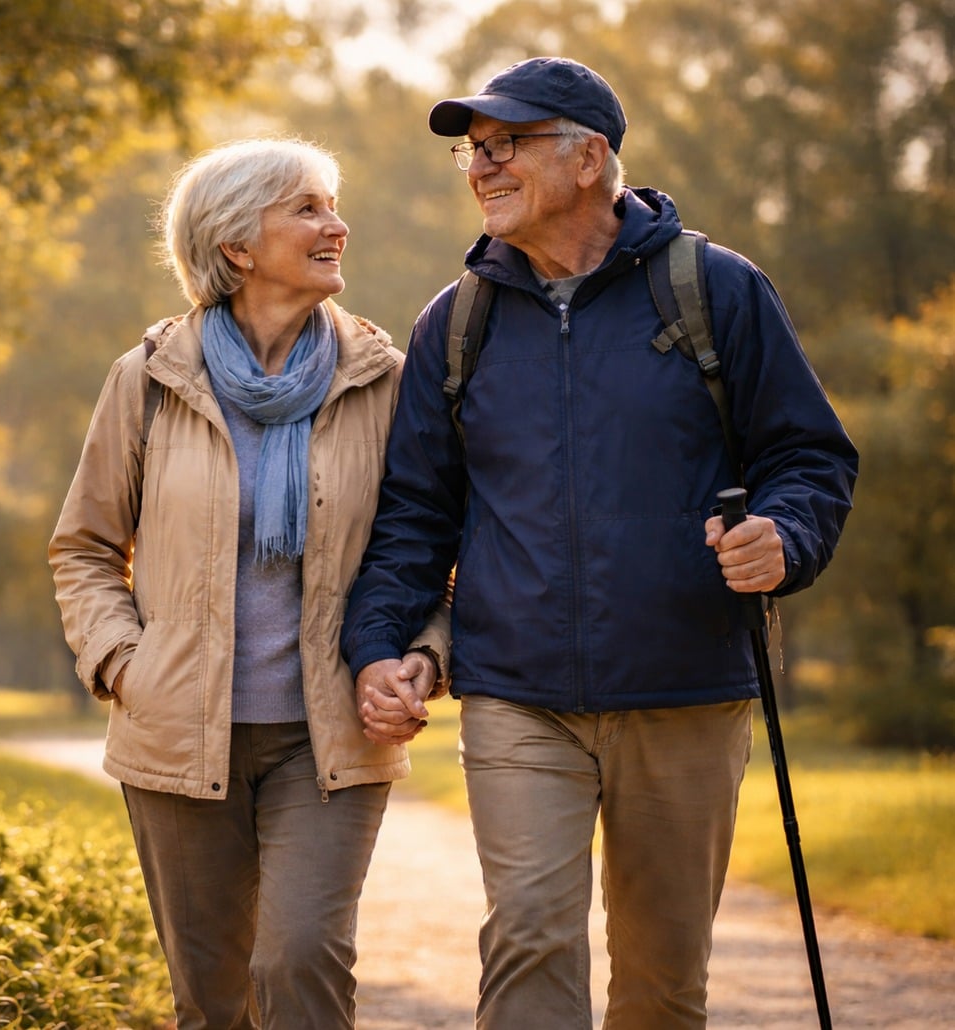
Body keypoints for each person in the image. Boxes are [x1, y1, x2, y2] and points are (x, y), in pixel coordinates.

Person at [340, 57, 858, 1029]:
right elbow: (414, 512)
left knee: (663, 977)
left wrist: (785, 538)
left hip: (688, 687)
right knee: (531, 936)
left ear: (591, 158)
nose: (483, 166)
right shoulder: (459, 323)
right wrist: (379, 646)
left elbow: (809, 455)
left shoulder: (717, 294)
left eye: (508, 145)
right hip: (518, 693)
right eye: (474, 150)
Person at [49, 137, 447, 1029]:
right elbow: (84, 547)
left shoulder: (383, 380)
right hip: (180, 734)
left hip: (330, 733)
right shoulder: (149, 380)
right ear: (235, 244)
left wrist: (422, 655)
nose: (336, 227)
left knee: (299, 958)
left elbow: (429, 546)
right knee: (212, 999)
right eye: (307, 209)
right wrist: (124, 663)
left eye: (331, 206)